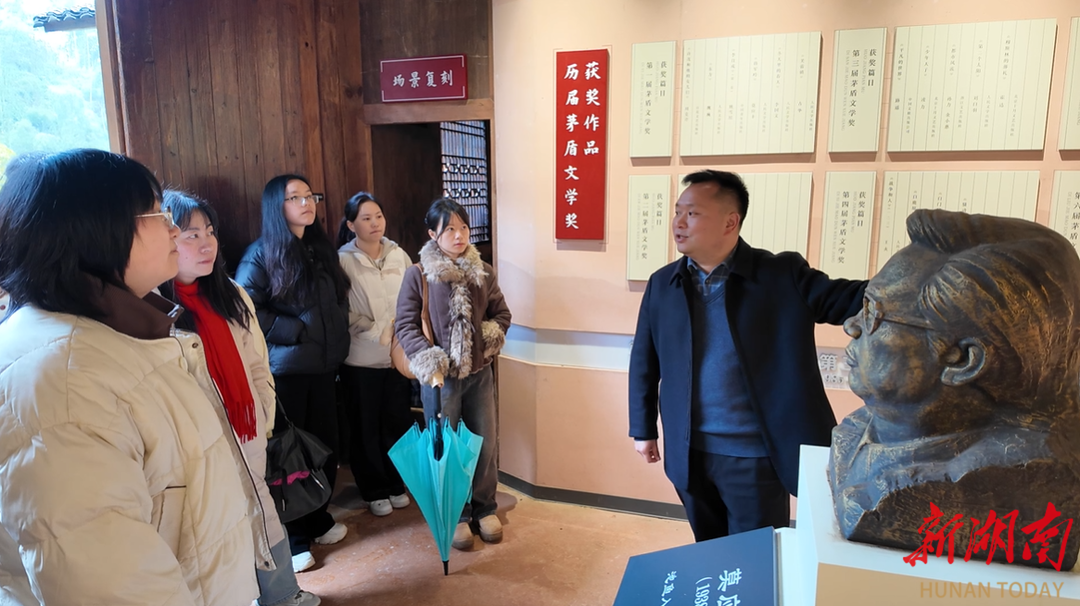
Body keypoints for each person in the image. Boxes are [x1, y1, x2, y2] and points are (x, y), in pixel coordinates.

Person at [0, 149, 258, 605]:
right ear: (95, 230)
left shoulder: (114, 332)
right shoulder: (64, 379)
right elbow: (110, 584)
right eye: (158, 214)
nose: (174, 230)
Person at [830, 210, 1080, 570]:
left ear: (961, 360)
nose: (851, 325)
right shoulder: (855, 431)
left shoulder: (1014, 477)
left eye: (873, 312)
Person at [628, 170, 866, 542]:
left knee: (755, 551)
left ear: (730, 222)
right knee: (708, 546)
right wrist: (643, 429)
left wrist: (917, 278)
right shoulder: (664, 283)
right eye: (677, 211)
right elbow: (645, 360)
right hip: (688, 451)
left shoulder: (781, 275)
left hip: (756, 455)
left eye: (692, 213)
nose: (678, 222)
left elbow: (851, 300)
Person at [160, 190, 321, 606]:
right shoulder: (155, 311)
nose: (206, 244)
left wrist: (263, 414)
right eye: (191, 235)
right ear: (166, 239)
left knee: (261, 508)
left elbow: (256, 363)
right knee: (214, 524)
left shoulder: (230, 293)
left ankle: (282, 594)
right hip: (197, 443)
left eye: (209, 232)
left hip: (247, 427)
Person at [236, 174, 351, 573]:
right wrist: (296, 331)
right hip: (287, 372)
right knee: (290, 455)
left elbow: (337, 300)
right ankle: (294, 535)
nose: (306, 203)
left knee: (324, 446)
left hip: (323, 367)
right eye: (295, 197)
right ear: (276, 206)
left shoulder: (318, 248)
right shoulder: (261, 254)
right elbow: (248, 309)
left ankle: (318, 518)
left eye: (309, 195)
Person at [395, 197, 512, 550]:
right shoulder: (419, 274)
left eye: (463, 227)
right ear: (433, 234)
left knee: (485, 441)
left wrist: (486, 343)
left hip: (479, 374)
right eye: (449, 229)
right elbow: (406, 324)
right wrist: (431, 362)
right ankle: (456, 514)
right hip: (440, 380)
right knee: (446, 446)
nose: (459, 235)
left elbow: (502, 314)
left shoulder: (483, 271)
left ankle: (485, 507)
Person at [337, 192, 414, 517]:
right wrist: (373, 329)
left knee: (397, 422)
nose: (374, 223)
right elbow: (341, 311)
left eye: (378, 216)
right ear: (351, 225)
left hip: (396, 357)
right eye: (366, 218)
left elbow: (413, 298)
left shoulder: (399, 255)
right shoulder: (343, 261)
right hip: (360, 359)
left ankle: (397, 482)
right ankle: (374, 489)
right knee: (365, 426)